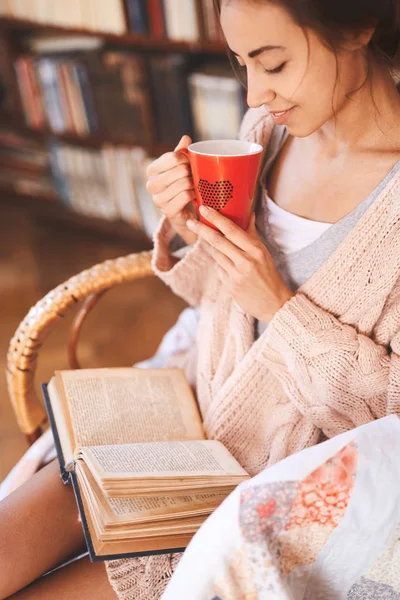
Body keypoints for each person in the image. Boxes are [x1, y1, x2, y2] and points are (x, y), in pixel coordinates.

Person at [1, 0, 400, 597]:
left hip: (258, 492)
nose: (254, 96)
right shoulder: (264, 137)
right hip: (177, 432)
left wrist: (279, 307)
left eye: (274, 63)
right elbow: (218, 306)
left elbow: (386, 435)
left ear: (359, 27)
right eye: (242, 65)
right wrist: (196, 230)